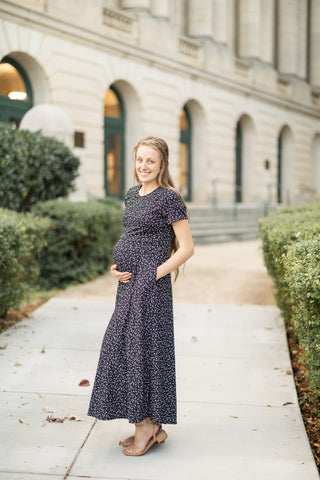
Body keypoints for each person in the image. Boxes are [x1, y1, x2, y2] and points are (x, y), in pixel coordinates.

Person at [88, 136, 194, 456]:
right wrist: (115, 268)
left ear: (162, 164)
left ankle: (145, 428)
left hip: (151, 287)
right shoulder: (132, 195)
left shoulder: (169, 198)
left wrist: (154, 273)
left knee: (141, 352)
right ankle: (151, 423)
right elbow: (131, 236)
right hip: (128, 285)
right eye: (139, 160)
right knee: (124, 349)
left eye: (151, 161)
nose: (143, 166)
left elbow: (187, 248)